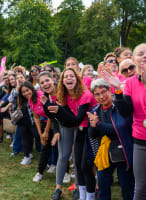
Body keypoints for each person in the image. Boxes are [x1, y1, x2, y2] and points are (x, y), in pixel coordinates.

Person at [44, 68, 97, 200]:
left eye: (72, 76)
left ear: (77, 79)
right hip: (80, 130)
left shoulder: (85, 94)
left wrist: (60, 112)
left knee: (85, 166)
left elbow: (77, 120)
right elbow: (68, 121)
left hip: (91, 130)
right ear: (62, 81)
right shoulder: (65, 96)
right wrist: (52, 109)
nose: (69, 78)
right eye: (66, 76)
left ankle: (90, 195)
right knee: (78, 165)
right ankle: (82, 195)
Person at [101, 43, 146, 200]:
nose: (145, 56)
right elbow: (126, 111)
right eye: (140, 53)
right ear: (134, 58)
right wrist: (118, 90)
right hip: (140, 140)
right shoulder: (131, 83)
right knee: (140, 188)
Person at [87, 78, 134, 200]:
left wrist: (98, 125)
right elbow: (92, 134)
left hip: (123, 150)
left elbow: (119, 129)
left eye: (103, 92)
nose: (101, 96)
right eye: (97, 94)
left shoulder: (119, 106)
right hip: (104, 152)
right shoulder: (94, 110)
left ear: (109, 90)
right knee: (103, 186)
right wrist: (93, 124)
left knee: (126, 187)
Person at [17, 81, 40, 165]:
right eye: (23, 92)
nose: (26, 93)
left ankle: (45, 158)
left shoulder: (37, 97)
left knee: (38, 138)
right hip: (23, 122)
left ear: (32, 89)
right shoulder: (21, 99)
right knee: (25, 139)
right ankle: (27, 155)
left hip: (35, 122)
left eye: (27, 90)